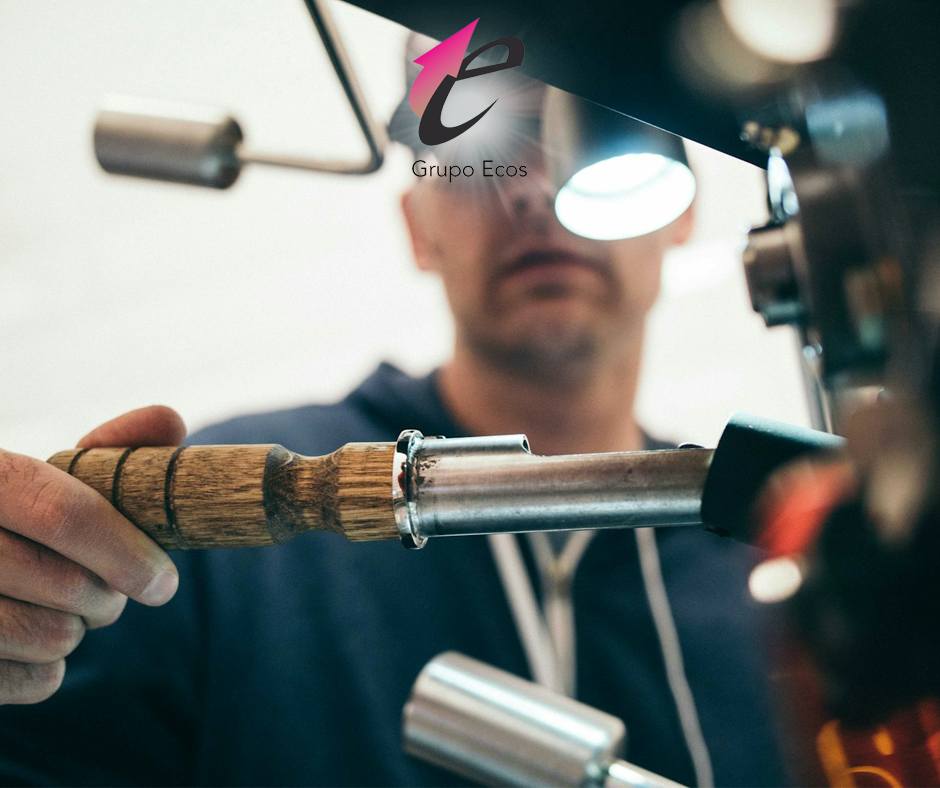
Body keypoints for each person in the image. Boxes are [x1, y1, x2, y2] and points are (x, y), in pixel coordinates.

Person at [0, 51, 787, 787]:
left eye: (592, 139)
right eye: (476, 152)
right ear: (418, 227)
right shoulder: (222, 532)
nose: (530, 190)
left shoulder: (774, 576)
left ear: (680, 210)